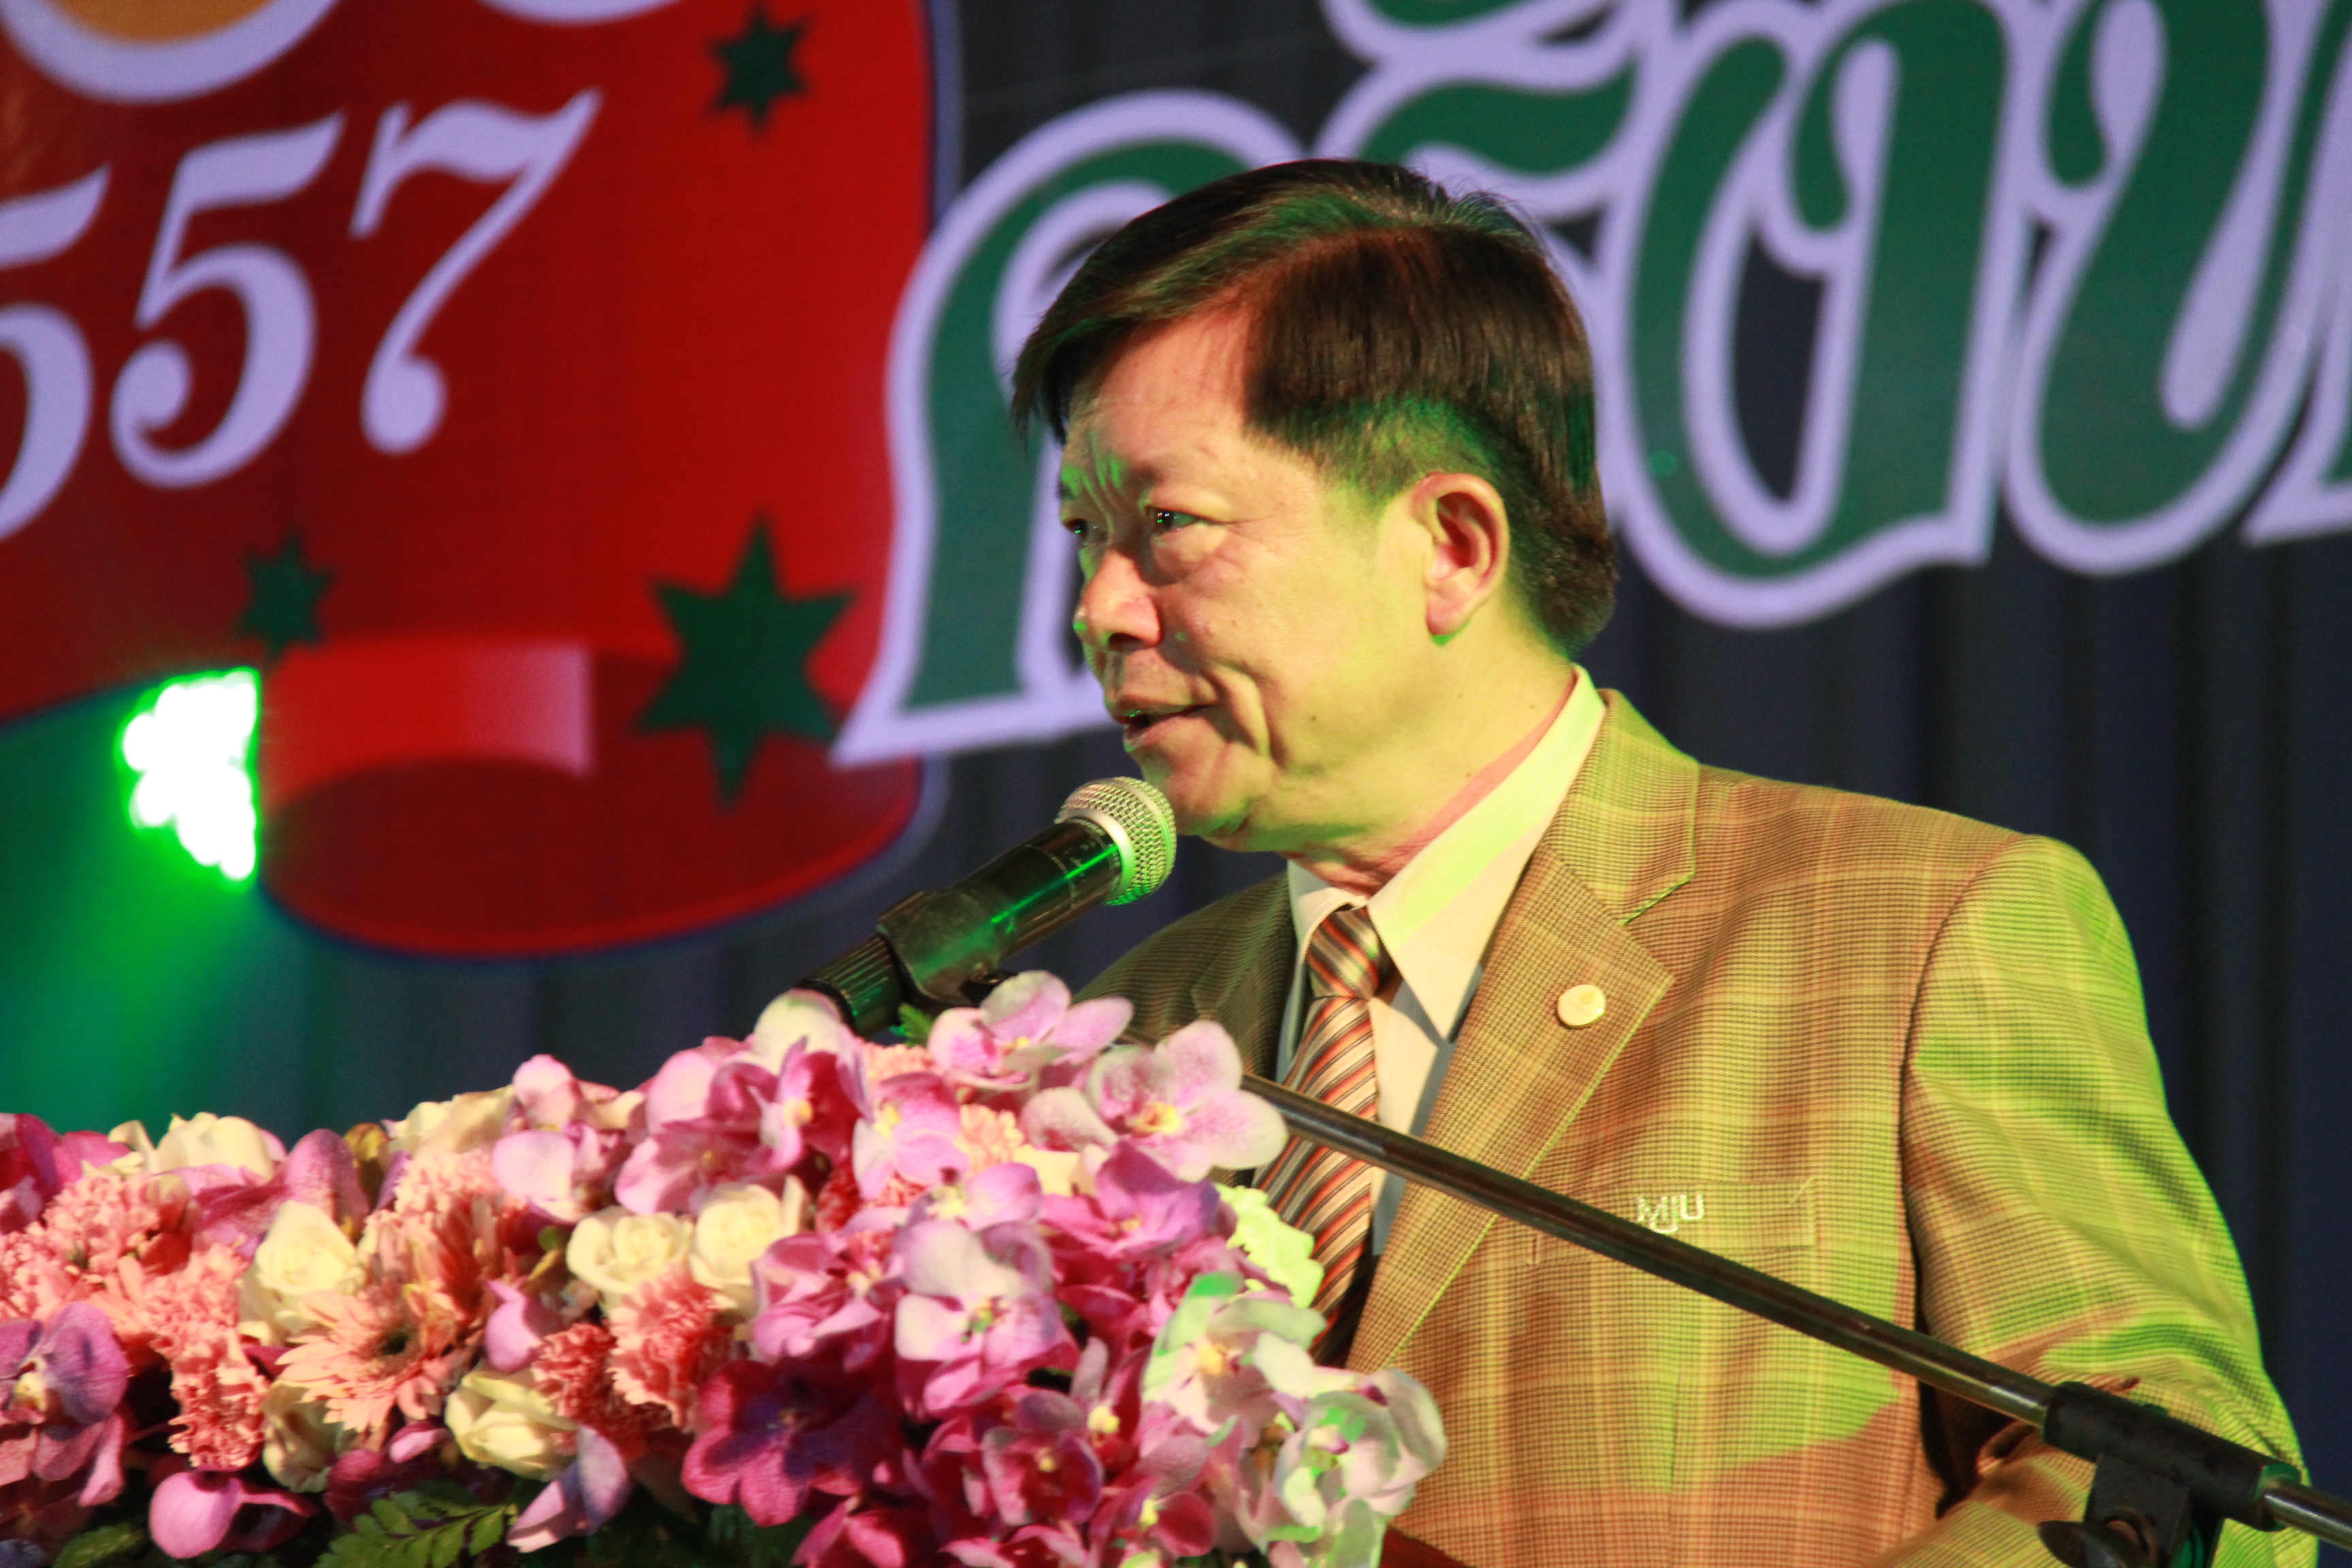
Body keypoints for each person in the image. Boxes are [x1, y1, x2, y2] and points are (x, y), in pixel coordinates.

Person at [1012, 159, 2307, 1567]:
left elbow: (2167, 1481)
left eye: (1169, 527)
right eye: (1085, 535)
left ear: (1452, 544)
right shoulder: (1131, 1043)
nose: (1101, 609)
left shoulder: (1912, 936)